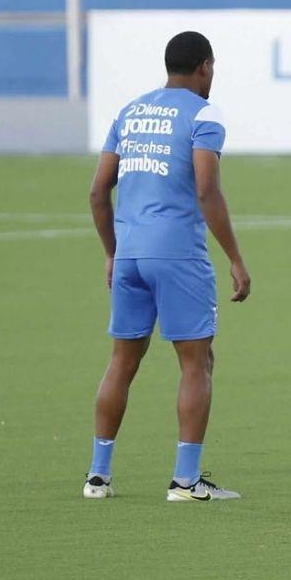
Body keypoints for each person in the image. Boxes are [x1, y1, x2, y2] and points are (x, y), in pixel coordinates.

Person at [84, 31, 252, 499]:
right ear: (203, 67)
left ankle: (98, 476)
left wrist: (112, 252)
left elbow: (98, 192)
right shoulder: (203, 115)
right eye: (211, 68)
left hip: (131, 254)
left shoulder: (130, 112)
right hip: (176, 253)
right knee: (196, 363)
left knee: (122, 361)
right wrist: (235, 258)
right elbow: (206, 189)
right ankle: (185, 480)